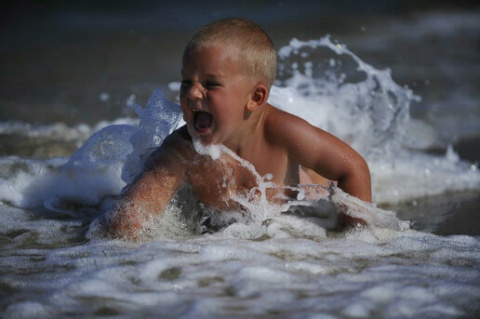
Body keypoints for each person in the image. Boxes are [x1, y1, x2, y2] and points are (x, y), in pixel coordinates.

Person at [104, 17, 371, 240]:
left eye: (210, 84)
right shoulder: (182, 150)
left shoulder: (282, 133)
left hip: (297, 205)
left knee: (314, 186)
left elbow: (352, 167)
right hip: (235, 234)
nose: (193, 93)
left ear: (255, 97)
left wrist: (355, 240)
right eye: (186, 82)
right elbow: (127, 221)